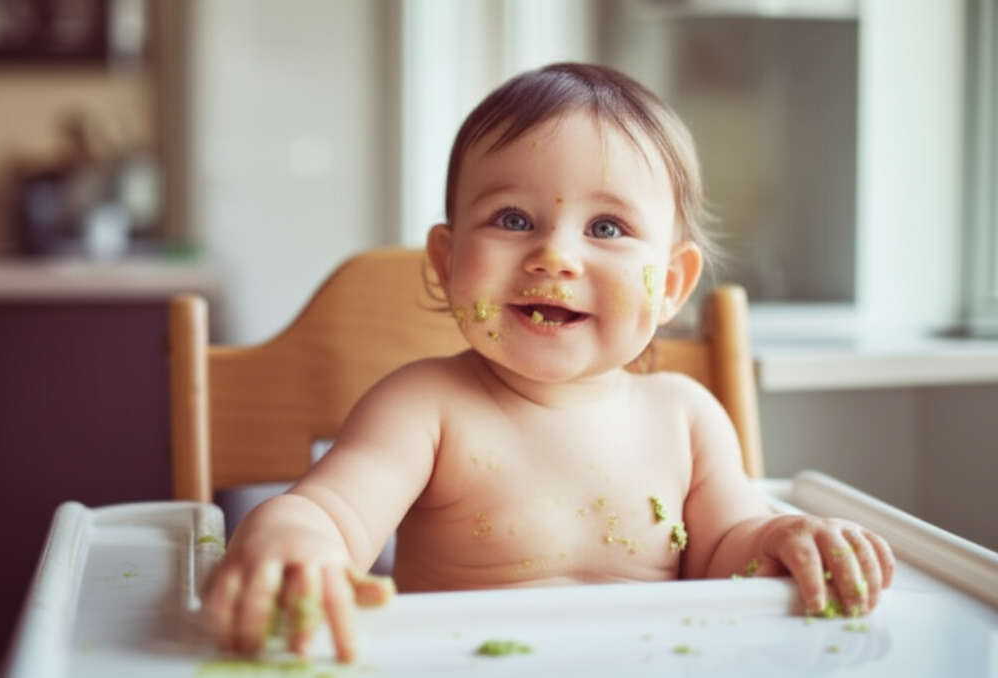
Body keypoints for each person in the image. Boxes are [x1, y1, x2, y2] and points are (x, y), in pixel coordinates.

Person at [203, 63, 895, 663]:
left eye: (606, 228)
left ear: (673, 285)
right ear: (447, 263)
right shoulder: (423, 409)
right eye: (512, 219)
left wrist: (784, 540)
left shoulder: (685, 418)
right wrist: (294, 546)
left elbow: (733, 551)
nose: (554, 256)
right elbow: (327, 512)